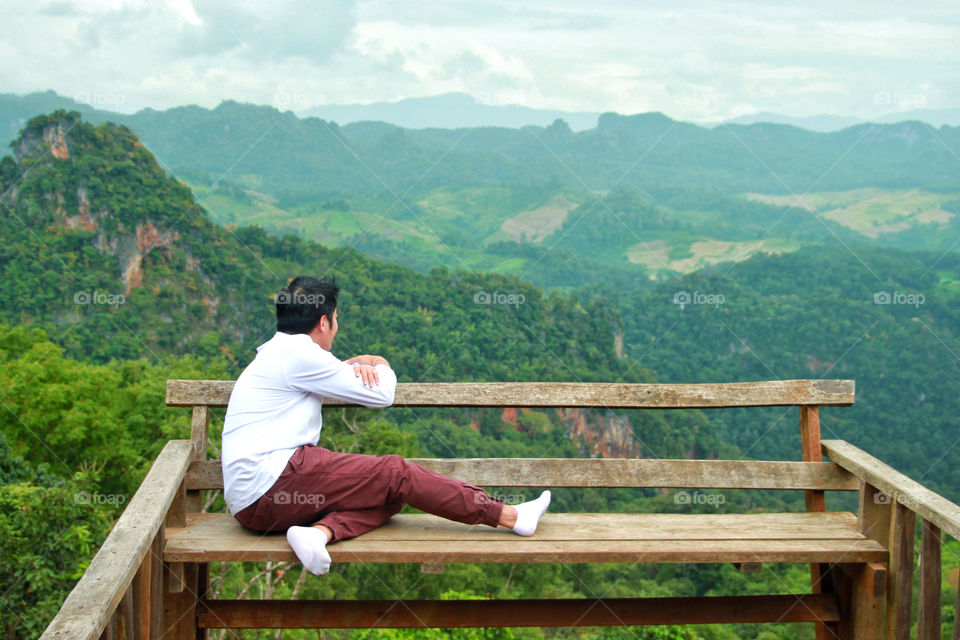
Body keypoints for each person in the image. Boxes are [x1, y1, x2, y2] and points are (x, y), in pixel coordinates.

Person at [222, 276, 551, 575]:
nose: (337, 327)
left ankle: (319, 533)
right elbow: (383, 394)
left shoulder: (278, 352)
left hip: (254, 504)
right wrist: (378, 362)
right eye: (336, 320)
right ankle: (510, 517)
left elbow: (317, 373)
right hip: (273, 484)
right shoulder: (299, 356)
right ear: (323, 322)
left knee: (389, 496)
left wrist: (342, 367)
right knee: (397, 473)